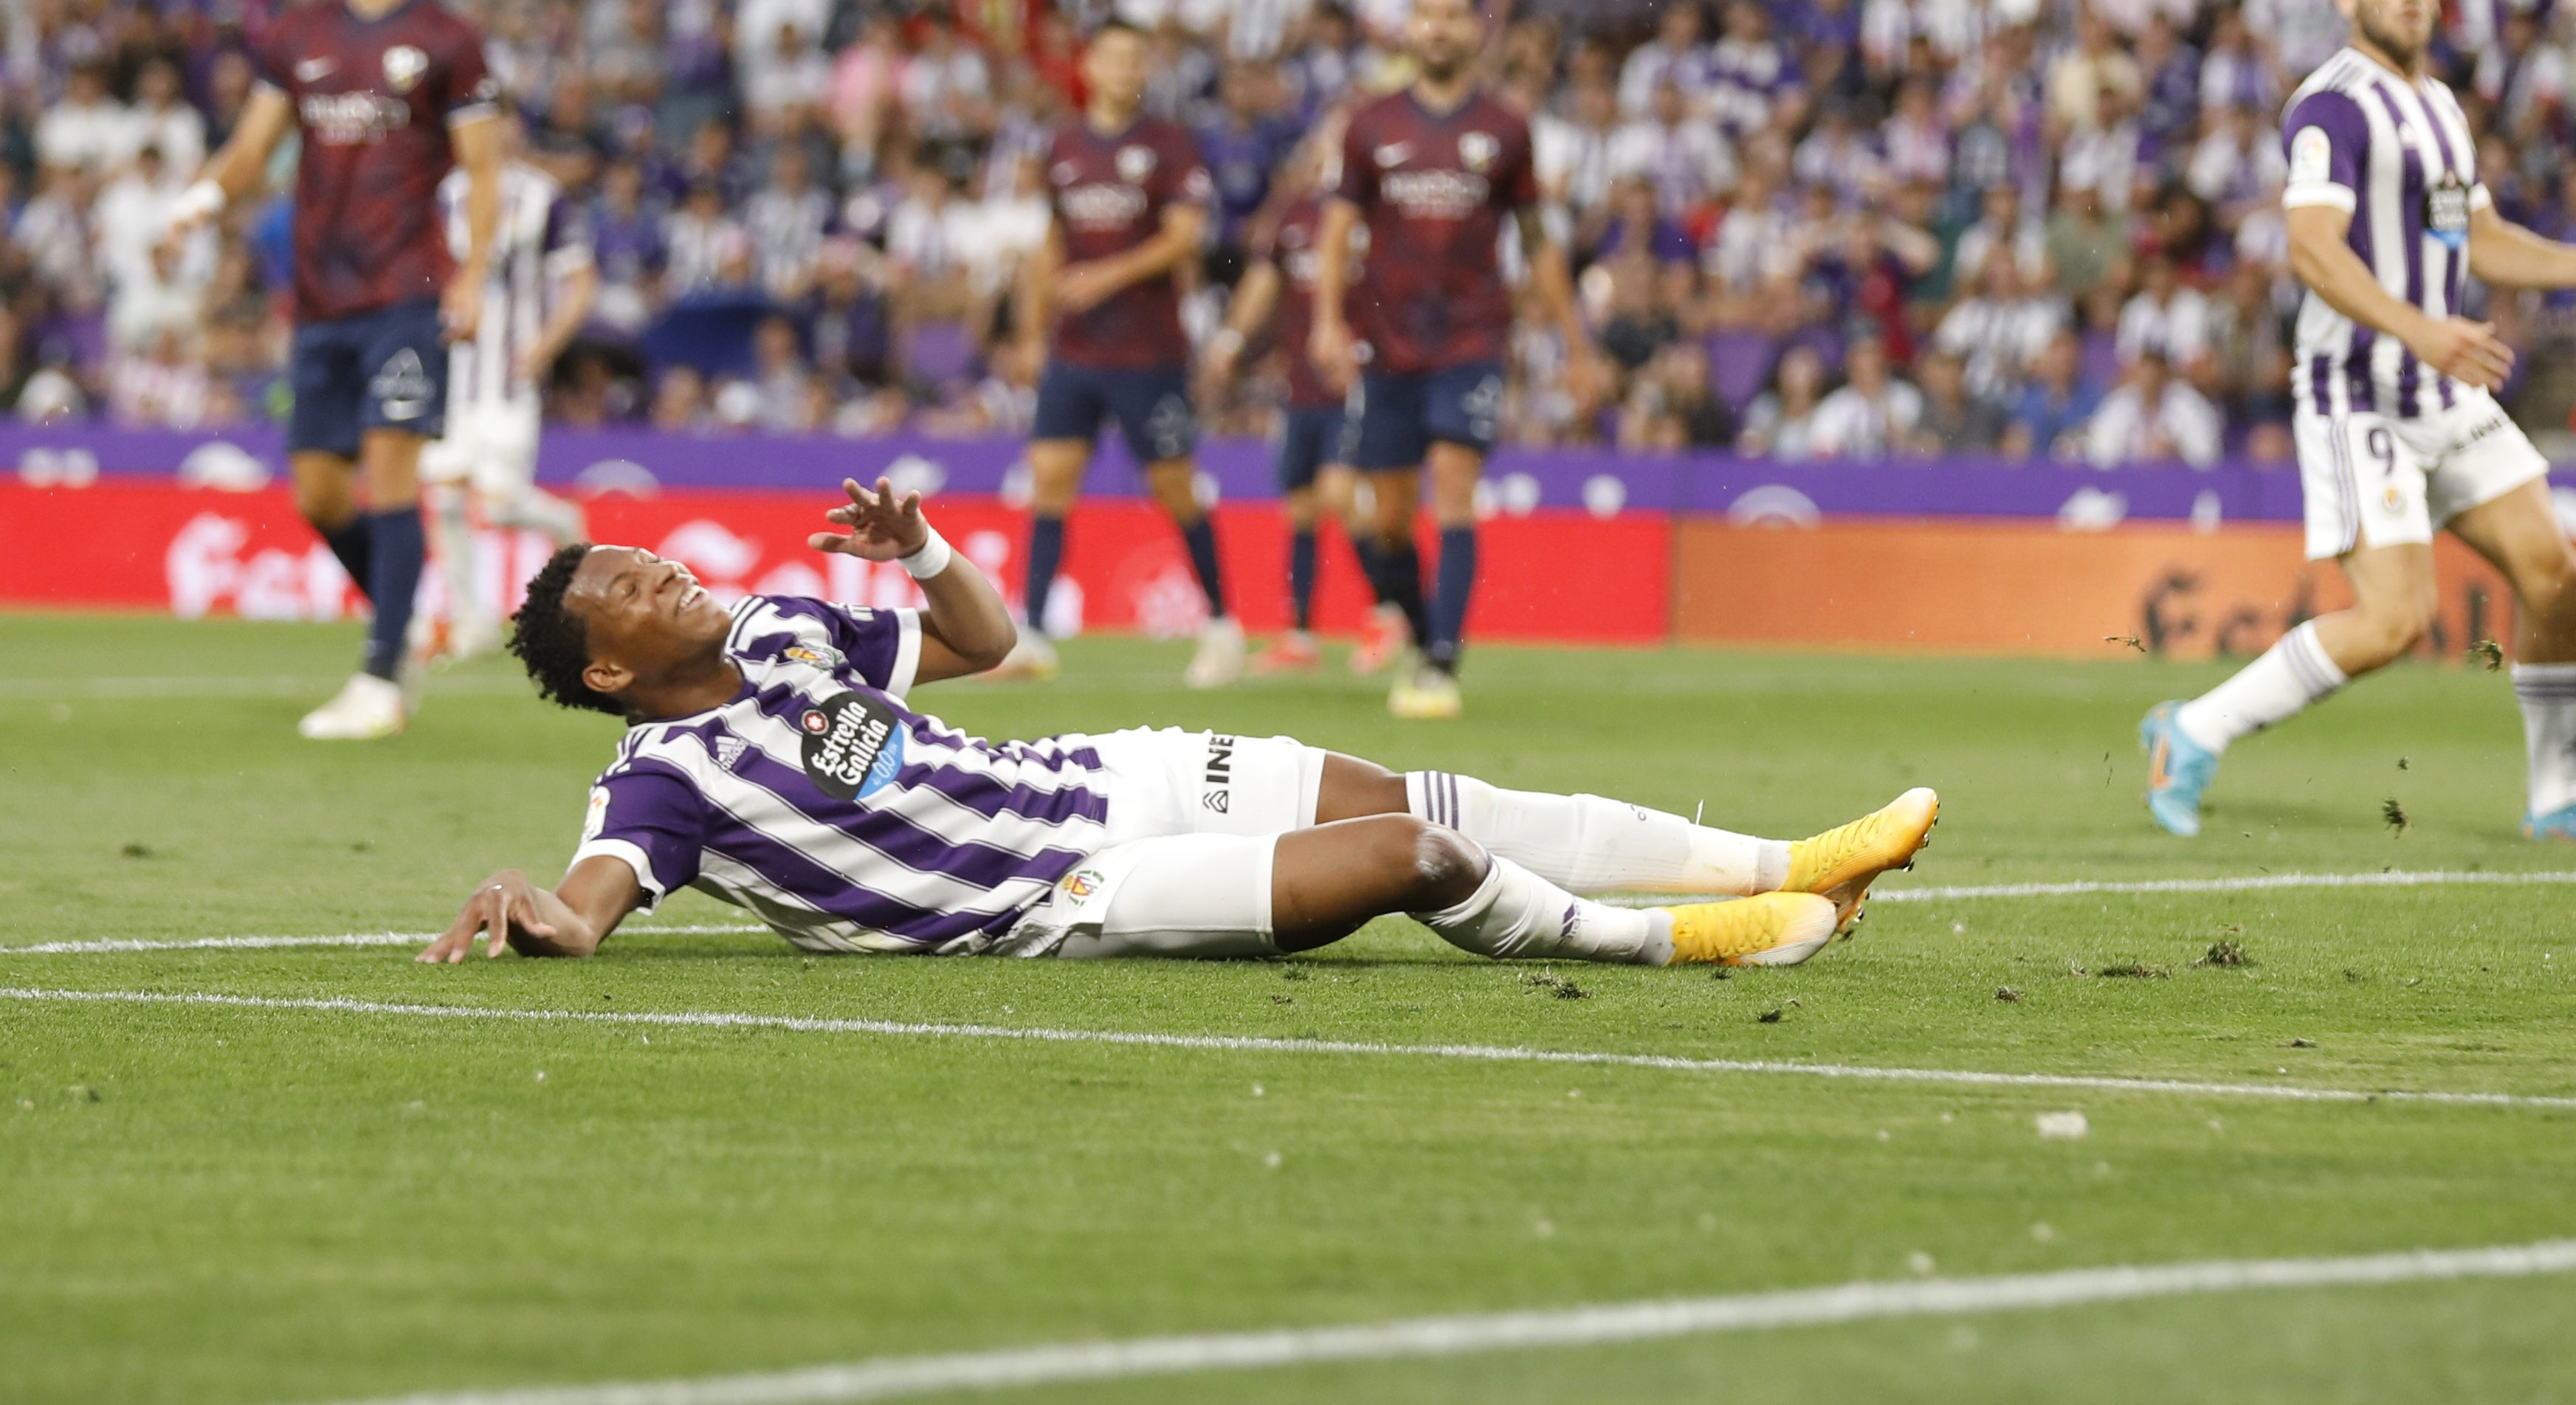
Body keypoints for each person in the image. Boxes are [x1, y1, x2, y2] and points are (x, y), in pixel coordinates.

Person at [420, 483, 1938, 970]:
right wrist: (536, 910)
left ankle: (1791, 853)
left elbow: (991, 646)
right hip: (1061, 901)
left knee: (1440, 787)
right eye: (626, 582)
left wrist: (927, 547)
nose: (659, 564)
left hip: (1101, 773)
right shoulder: (664, 775)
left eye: (643, 550)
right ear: (607, 667)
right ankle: (1686, 938)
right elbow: (594, 903)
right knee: (1407, 851)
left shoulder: (785, 624)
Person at [2141, 0, 2576, 846]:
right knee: (2396, 619)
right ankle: (2191, 729)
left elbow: (2476, 238)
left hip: (2439, 386)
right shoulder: (2329, 108)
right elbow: (2309, 247)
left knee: (2553, 573)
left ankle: (2555, 798)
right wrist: (2418, 328)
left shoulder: (2441, 109)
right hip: (2356, 391)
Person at [165, 0, 504, 739]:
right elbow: (250, 153)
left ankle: (382, 680)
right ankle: (402, 620)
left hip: (406, 292)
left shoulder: (447, 39)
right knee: (319, 494)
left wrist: (471, 275)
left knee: (393, 474)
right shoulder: (299, 35)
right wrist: (200, 203)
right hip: (320, 301)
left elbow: (484, 170)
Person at [1312, 0, 1597, 718]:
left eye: (1451, 14)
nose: (1437, 27)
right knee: (1386, 517)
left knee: (1456, 485)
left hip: (1471, 335)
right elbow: (1338, 227)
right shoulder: (1369, 124)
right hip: (1386, 337)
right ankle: (1417, 628)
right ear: (1408, 26)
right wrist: (1324, 320)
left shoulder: (1505, 128)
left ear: (1473, 28)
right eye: (1426, 14)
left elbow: (1535, 240)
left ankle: (1441, 663)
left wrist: (1575, 343)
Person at [1014, 21, 1247, 688]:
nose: (1124, 68)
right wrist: (1034, 331)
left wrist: (1104, 276)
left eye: (1135, 58)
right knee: (1050, 476)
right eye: (1112, 55)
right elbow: (1052, 242)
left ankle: (1223, 625)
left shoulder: (1168, 146)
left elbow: (1185, 239)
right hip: (1075, 349)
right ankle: (1032, 631)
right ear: (1087, 63)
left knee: (1173, 485)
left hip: (1147, 350)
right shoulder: (1061, 145)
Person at [1202, 122, 1405, 676]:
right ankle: (1301, 635)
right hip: (1301, 383)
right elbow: (1263, 283)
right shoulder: (1292, 215)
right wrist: (1230, 340)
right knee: (1302, 508)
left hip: (1358, 379)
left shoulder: (1378, 214)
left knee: (1340, 493)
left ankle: (1390, 611)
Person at [416, 138, 594, 663]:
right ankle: (471, 620)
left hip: (510, 377)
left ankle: (562, 524)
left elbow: (580, 281)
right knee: (444, 497)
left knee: (497, 505)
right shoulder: (447, 194)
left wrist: (546, 345)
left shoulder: (543, 197)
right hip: (455, 379)